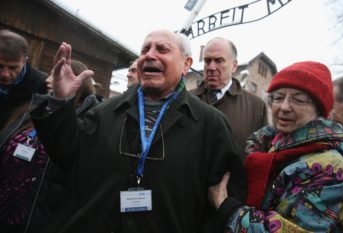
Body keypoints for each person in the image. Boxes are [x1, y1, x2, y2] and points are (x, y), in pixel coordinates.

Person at [29, 29, 246, 233]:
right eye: (145, 50)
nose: (150, 55)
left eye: (162, 49)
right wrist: (59, 102)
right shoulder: (103, 111)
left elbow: (223, 202)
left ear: (186, 64)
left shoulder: (211, 124)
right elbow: (66, 158)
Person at [208, 61, 343, 232]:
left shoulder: (332, 169)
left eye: (298, 100)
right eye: (278, 97)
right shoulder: (262, 146)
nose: (284, 107)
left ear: (319, 110)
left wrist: (228, 208)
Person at [0, 59, 101, 233]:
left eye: (55, 75)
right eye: (51, 73)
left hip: (37, 221)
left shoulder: (86, 123)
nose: (47, 79)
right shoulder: (32, 107)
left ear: (75, 81)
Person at [190, 37, 268, 158]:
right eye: (207, 61)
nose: (211, 67)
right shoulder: (186, 99)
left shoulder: (256, 107)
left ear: (234, 66)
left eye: (219, 60)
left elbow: (261, 155)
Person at [0, 29, 48, 130]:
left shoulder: (42, 86)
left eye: (13, 68)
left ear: (24, 61)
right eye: (0, 66)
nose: (5, 74)